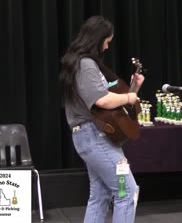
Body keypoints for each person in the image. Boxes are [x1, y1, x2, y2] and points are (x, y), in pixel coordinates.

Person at [59, 16, 144, 223]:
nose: (106, 47)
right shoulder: (86, 64)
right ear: (97, 39)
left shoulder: (80, 64)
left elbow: (107, 104)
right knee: (127, 192)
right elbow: (103, 101)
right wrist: (129, 96)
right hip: (95, 137)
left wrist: (133, 90)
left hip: (91, 137)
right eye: (106, 41)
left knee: (100, 196)